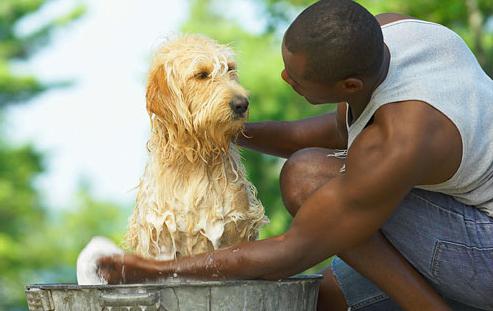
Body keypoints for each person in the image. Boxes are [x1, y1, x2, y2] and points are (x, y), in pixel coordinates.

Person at [98, 1, 493, 310]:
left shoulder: (402, 140)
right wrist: (218, 128)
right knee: (319, 302)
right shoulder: (389, 35)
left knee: (306, 176)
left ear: (348, 84)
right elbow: (343, 128)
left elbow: (293, 251)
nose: (286, 79)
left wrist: (156, 270)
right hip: (459, 207)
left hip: (485, 246)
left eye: (298, 79)